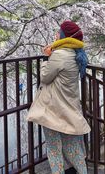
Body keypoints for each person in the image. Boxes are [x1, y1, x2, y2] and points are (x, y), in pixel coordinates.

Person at [27, 20, 91, 174]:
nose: (55, 35)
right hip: (69, 108)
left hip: (53, 111)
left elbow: (45, 78)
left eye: (58, 32)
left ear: (64, 36)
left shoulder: (59, 55)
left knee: (54, 148)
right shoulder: (76, 53)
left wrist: (46, 59)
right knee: (74, 149)